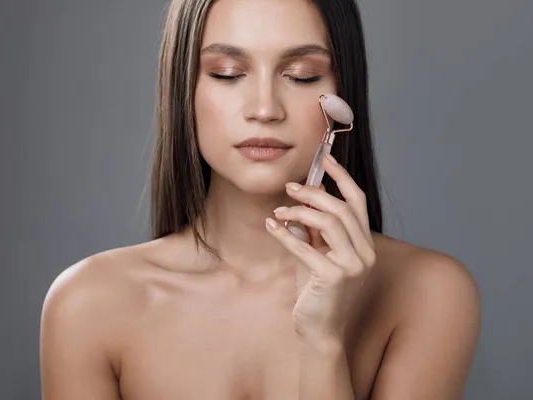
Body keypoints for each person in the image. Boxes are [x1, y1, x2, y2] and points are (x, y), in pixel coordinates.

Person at [39, 0, 481, 398]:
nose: (265, 108)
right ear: (183, 90)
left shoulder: (428, 292)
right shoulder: (88, 304)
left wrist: (322, 342)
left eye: (301, 76)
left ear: (343, 89)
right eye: (227, 74)